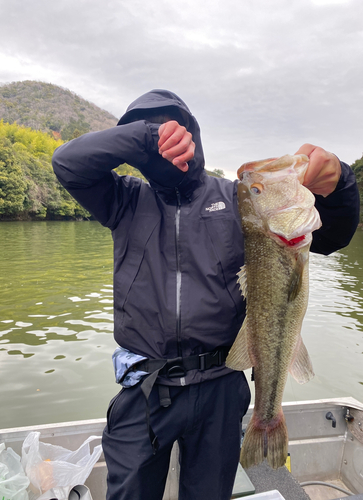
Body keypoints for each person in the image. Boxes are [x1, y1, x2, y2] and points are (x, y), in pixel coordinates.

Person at [52, 89, 360, 500]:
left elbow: (333, 236)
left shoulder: (236, 199)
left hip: (222, 385)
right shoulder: (123, 199)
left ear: (195, 134)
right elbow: (67, 163)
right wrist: (147, 138)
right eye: (150, 131)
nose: (164, 136)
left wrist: (341, 183)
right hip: (145, 388)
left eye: (173, 126)